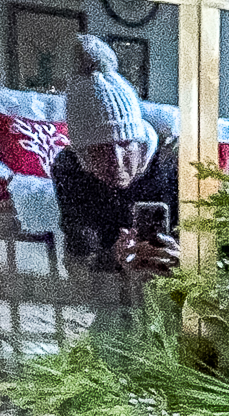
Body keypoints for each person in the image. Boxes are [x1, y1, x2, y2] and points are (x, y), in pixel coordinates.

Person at [52, 34, 179, 273]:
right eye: (100, 149)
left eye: (126, 144)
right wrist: (112, 257)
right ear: (82, 153)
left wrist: (186, 256)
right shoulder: (69, 169)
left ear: (139, 140)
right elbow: (79, 257)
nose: (117, 161)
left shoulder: (171, 166)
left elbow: (210, 246)